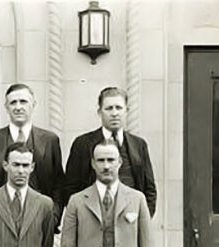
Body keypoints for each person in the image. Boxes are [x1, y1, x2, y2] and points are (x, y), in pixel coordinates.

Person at [63, 86, 157, 217]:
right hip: (92, 219)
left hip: (130, 220)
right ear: (99, 112)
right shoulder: (82, 144)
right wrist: (83, 219)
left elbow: (149, 190)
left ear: (126, 111)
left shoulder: (139, 145)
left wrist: (142, 219)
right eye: (109, 108)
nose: (114, 113)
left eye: (118, 108)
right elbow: (70, 188)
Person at [0, 83, 63, 210]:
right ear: (6, 107)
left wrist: (53, 216)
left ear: (33, 104)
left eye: (23, 102)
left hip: (40, 216)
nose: (18, 107)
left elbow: (58, 185)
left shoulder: (50, 140)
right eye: (13, 102)